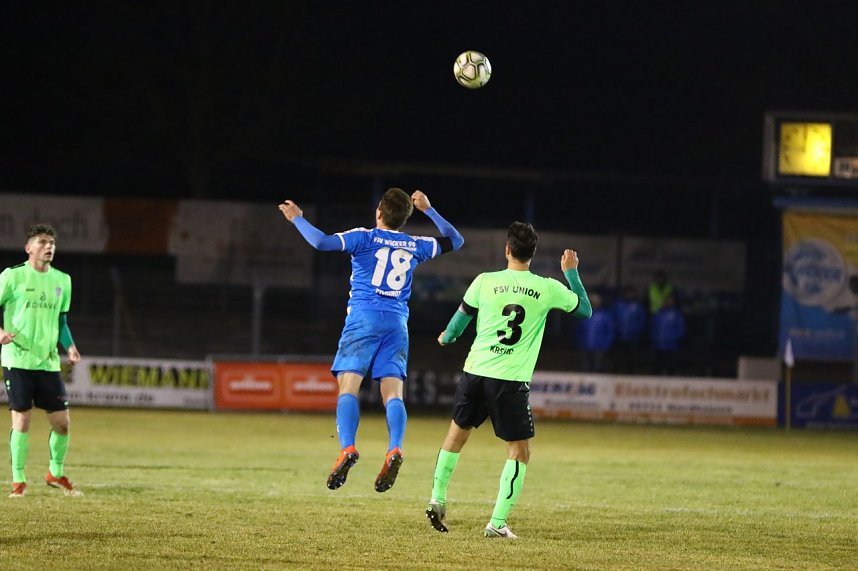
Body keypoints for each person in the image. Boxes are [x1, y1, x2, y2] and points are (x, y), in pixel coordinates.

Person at [279, 188, 463, 493]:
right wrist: (429, 210)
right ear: (404, 218)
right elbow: (456, 240)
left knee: (348, 386)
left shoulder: (364, 237)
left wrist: (297, 219)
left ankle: (348, 448)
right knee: (393, 393)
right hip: (396, 323)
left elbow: (321, 242)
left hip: (363, 319)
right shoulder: (415, 244)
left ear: (379, 212)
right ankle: (394, 448)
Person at [425, 222, 592, 539]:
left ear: (507, 250)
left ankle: (437, 498)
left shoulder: (484, 281)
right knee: (519, 452)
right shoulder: (546, 288)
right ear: (533, 254)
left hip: (475, 372)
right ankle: (497, 523)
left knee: (455, 438)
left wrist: (447, 337)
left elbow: (459, 321)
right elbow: (585, 311)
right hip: (509, 381)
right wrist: (571, 272)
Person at [0, 224, 82, 497]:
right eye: (43, 242)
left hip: (47, 363)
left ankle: (55, 473)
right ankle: (18, 480)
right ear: (28, 248)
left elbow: (62, 321)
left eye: (52, 243)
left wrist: (70, 347)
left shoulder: (63, 280)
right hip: (17, 359)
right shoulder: (12, 277)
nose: (49, 247)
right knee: (21, 421)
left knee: (62, 423)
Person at [575, 292, 615, 373]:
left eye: (595, 302)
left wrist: (606, 345)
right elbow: (578, 330)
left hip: (599, 347)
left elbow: (610, 331)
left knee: (597, 367)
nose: (593, 304)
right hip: (584, 346)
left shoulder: (605, 315)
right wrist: (579, 342)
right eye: (591, 302)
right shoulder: (583, 314)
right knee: (585, 368)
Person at [611, 285, 647, 373]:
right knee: (619, 358)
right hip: (619, 336)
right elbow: (612, 318)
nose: (629, 295)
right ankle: (617, 373)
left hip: (633, 337)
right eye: (628, 293)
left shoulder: (638, 307)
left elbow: (642, 320)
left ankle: (631, 373)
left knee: (632, 358)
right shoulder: (618, 305)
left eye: (631, 293)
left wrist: (635, 330)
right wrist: (617, 329)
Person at [650, 292, 686, 375]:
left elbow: (681, 330)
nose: (668, 303)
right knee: (657, 368)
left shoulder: (677, 315)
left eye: (670, 301)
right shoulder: (658, 313)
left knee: (671, 368)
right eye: (666, 301)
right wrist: (654, 339)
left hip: (671, 347)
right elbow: (653, 327)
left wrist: (671, 338)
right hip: (658, 346)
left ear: (673, 303)